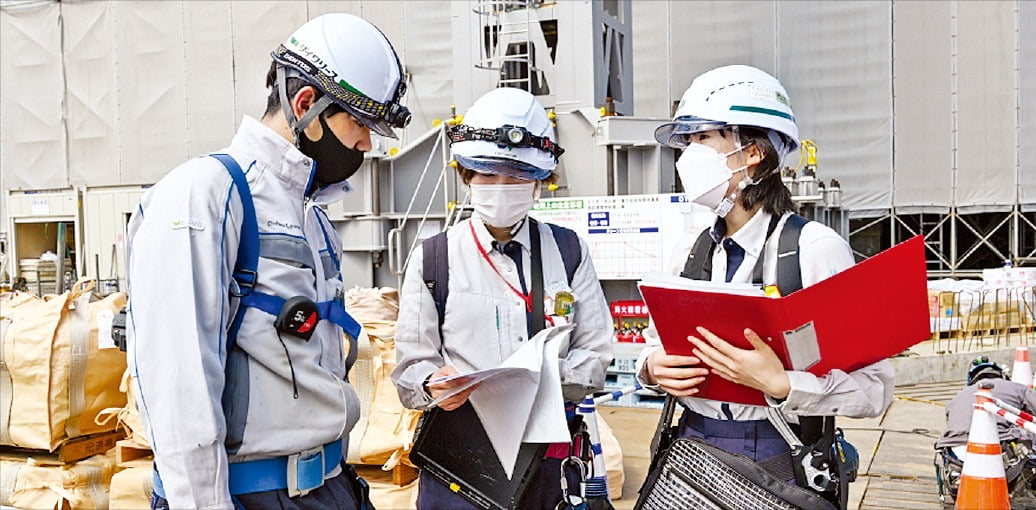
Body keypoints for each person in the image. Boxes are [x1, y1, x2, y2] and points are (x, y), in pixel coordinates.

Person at [126, 13, 410, 509]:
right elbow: (180, 389)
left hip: (330, 488)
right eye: (360, 124)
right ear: (306, 105)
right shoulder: (204, 197)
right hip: (253, 496)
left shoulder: (313, 216)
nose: (367, 143)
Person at [635, 65, 894, 500]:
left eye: (702, 138)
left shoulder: (813, 250)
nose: (687, 156)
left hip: (778, 457)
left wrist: (784, 385)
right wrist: (652, 369)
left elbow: (875, 391)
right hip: (691, 451)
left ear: (751, 152)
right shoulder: (691, 249)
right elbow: (654, 344)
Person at [392, 87, 614, 509]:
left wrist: (543, 381)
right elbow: (410, 370)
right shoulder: (434, 258)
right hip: (460, 465)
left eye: (515, 177)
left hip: (547, 461)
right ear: (467, 177)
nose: (501, 187)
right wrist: (432, 383)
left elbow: (597, 353)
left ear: (537, 183)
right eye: (487, 175)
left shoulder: (568, 251)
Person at [935, 357, 1036, 502]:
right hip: (997, 453)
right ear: (1001, 376)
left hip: (955, 453)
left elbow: (952, 422)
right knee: (1027, 431)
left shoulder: (958, 396)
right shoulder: (1015, 388)